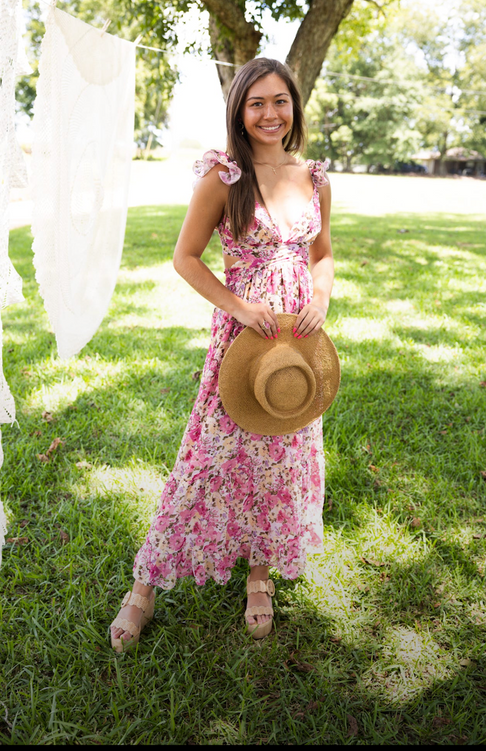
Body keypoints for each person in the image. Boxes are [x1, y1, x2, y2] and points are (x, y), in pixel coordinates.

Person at [110, 57, 334, 651]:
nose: (269, 113)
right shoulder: (224, 176)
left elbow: (321, 254)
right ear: (239, 108)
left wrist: (322, 299)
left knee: (282, 454)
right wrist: (237, 307)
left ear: (295, 107)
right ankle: (146, 584)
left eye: (280, 101)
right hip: (242, 339)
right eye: (256, 102)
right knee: (209, 456)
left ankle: (260, 575)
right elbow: (185, 257)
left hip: (295, 343)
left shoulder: (315, 178)